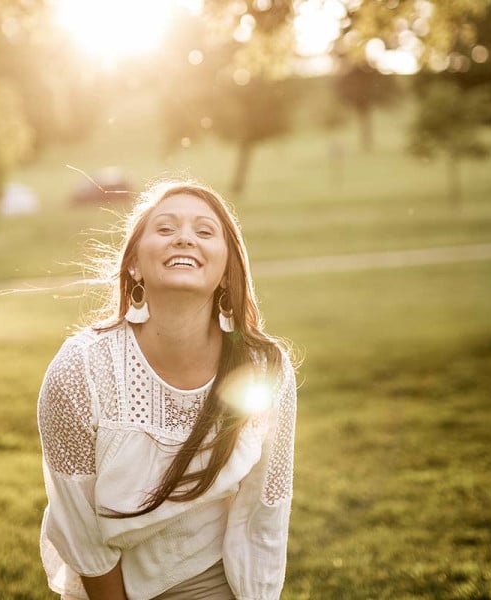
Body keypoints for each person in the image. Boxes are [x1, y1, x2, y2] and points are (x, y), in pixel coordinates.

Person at [37, 180, 298, 600]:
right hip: (106, 586)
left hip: (212, 578)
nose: (184, 237)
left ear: (226, 271)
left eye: (205, 231)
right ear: (135, 265)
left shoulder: (264, 368)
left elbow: (265, 511)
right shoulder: (80, 369)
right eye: (165, 228)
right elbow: (77, 522)